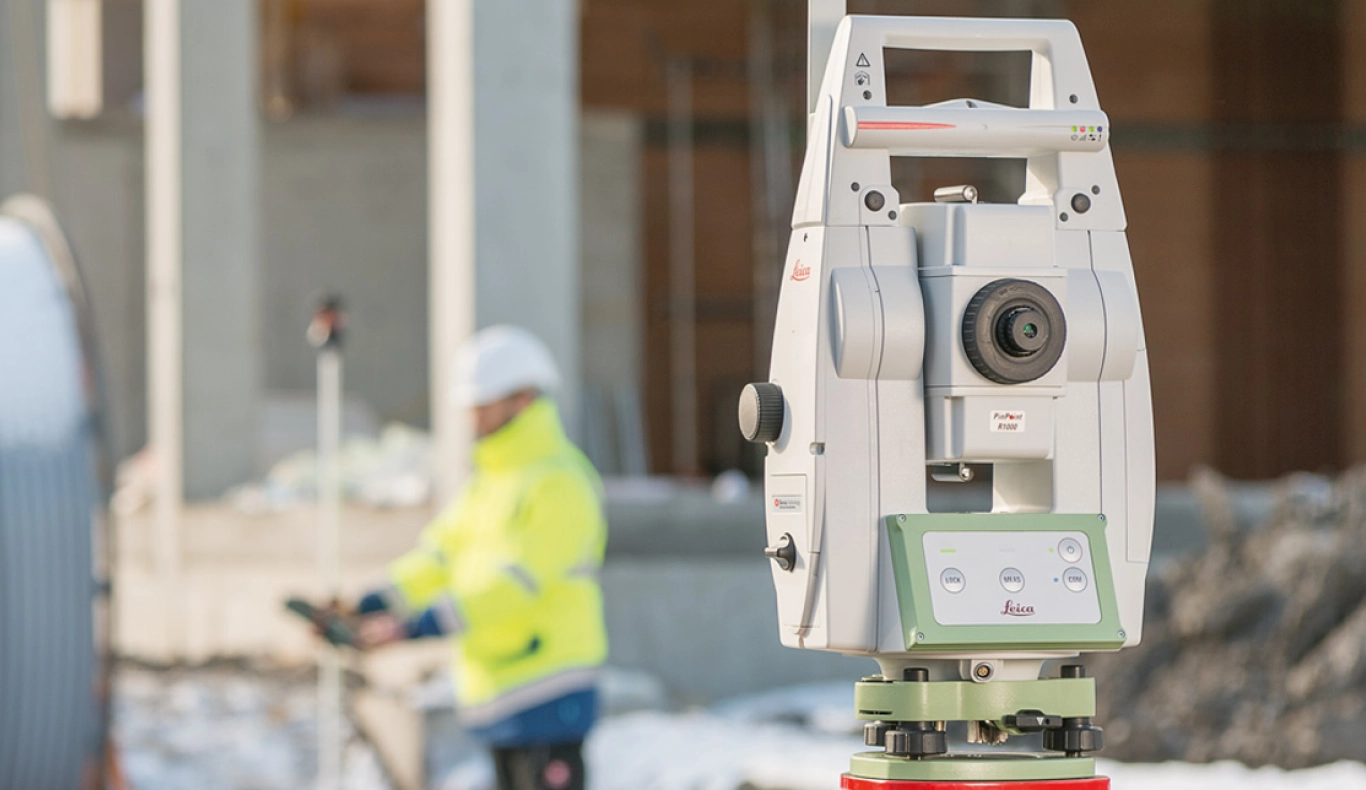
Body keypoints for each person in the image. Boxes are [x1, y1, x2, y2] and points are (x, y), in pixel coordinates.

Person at [352, 325, 607, 790]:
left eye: (483, 406)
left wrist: (417, 625)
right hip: (499, 692)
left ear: (523, 398)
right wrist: (371, 603)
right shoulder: (488, 483)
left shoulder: (560, 483)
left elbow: (517, 583)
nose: (473, 420)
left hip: (549, 690)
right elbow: (438, 558)